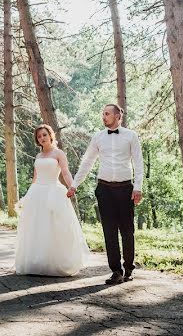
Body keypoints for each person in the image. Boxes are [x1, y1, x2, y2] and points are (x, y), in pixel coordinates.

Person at [67, 104, 143, 285]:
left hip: (125, 189)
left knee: (127, 231)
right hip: (104, 189)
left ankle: (129, 268)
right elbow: (87, 162)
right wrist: (74, 184)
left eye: (107, 114)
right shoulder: (98, 137)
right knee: (109, 231)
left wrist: (137, 187)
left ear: (118, 116)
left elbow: (138, 163)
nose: (103, 116)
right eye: (103, 114)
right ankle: (115, 271)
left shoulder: (131, 136)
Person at [14, 124, 89, 276]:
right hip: (37, 193)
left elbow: (66, 173)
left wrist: (72, 187)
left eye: (44, 135)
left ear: (50, 136)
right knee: (37, 227)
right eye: (39, 136)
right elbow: (35, 178)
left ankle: (55, 262)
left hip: (54, 191)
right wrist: (28, 196)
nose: (42, 138)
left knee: (56, 226)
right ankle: (37, 262)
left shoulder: (59, 153)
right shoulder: (38, 156)